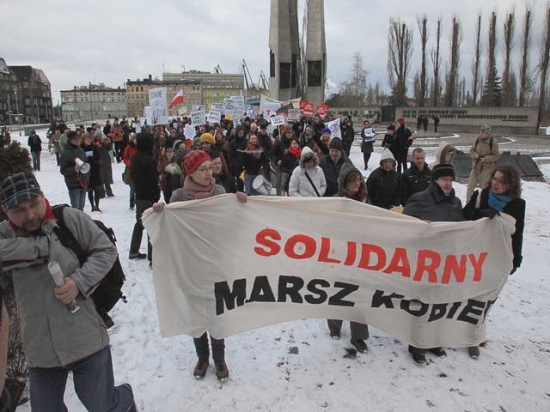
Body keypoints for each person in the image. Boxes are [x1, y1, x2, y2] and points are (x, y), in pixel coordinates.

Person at [0, 172, 136, 411]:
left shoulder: (68, 220)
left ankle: (124, 398)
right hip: (39, 347)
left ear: (43, 196)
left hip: (84, 337)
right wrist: (40, 247)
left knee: (101, 405)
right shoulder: (5, 235)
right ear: (5, 210)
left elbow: (105, 250)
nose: (30, 215)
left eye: (34, 204)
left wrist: (79, 282)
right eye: (19, 210)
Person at [152, 151, 248, 381]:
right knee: (195, 314)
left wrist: (241, 205)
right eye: (202, 169)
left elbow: (232, 226)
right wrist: (159, 214)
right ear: (190, 172)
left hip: (216, 263)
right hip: (190, 266)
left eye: (209, 167)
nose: (208, 173)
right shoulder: (178, 197)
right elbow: (169, 231)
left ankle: (219, 358)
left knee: (217, 314)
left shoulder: (220, 193)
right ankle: (202, 357)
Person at [403, 164, 464, 365]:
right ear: (435, 180)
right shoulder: (420, 199)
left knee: (440, 303)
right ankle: (417, 345)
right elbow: (403, 224)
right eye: (443, 179)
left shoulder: (455, 202)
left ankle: (435, 341)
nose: (447, 183)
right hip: (424, 261)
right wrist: (421, 228)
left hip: (446, 260)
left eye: (450, 179)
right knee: (422, 304)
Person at [463, 165, 525, 359]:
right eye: (495, 179)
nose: (497, 184)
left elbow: (518, 233)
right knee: (466, 296)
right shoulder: (480, 196)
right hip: (475, 255)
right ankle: (456, 332)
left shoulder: (517, 204)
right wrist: (480, 215)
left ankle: (474, 337)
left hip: (497, 257)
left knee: (484, 300)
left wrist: (516, 259)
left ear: (511, 185)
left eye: (502, 181)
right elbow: (464, 218)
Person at [327, 162, 369, 352]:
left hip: (361, 254)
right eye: (353, 180)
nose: (357, 183)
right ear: (345, 182)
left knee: (359, 296)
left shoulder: (365, 201)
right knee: (340, 293)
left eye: (359, 179)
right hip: (341, 254)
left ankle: (358, 336)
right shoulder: (337, 201)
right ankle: (334, 325)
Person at [129, 132, 160, 264]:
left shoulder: (135, 156)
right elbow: (153, 180)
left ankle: (133, 250)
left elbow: (132, 175)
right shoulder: (149, 159)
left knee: (140, 223)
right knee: (151, 225)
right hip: (148, 196)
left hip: (139, 194)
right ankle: (153, 258)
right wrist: (156, 194)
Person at [467, 125, 500, 200]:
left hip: (486, 170)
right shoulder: (477, 140)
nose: (482, 134)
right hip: (475, 168)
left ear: (488, 133)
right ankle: (468, 204)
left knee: (484, 190)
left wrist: (486, 159)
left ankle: (483, 206)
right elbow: (471, 150)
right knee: (470, 189)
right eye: (481, 132)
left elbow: (496, 156)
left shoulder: (493, 142)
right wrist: (474, 155)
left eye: (484, 132)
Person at [60, 131, 89, 211]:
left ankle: (81, 222)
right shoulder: (65, 152)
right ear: (69, 140)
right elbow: (63, 170)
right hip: (73, 183)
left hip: (83, 181)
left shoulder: (80, 149)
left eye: (78, 138)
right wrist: (73, 169)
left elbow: (85, 162)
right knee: (76, 208)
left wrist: (86, 172)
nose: (77, 140)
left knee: (82, 206)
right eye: (74, 139)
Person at [81, 133, 104, 212]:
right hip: (87, 170)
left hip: (95, 169)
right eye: (87, 140)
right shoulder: (81, 148)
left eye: (90, 139)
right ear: (83, 140)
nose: (89, 141)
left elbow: (98, 156)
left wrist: (95, 159)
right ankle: (92, 205)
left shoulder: (94, 147)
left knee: (97, 189)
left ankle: (97, 205)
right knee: (90, 189)